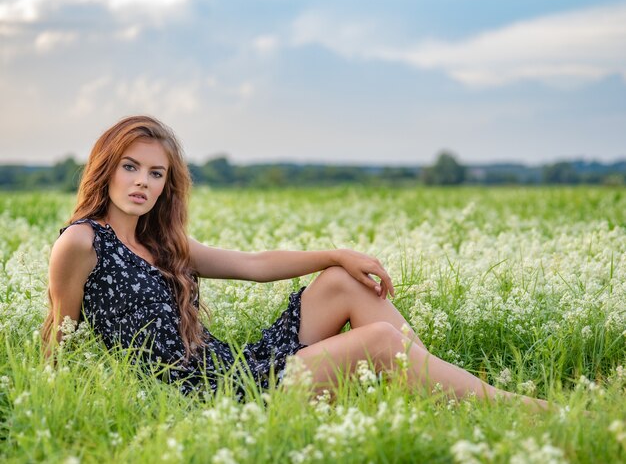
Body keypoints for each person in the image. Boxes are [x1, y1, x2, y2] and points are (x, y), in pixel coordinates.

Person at [42, 115, 549, 411]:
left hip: (230, 367)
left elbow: (253, 263)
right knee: (380, 342)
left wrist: (335, 255)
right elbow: (58, 332)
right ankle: (517, 408)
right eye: (130, 167)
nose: (142, 183)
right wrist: (53, 402)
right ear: (106, 169)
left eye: (155, 173)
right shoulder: (82, 243)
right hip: (205, 395)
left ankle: (430, 390)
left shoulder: (162, 244)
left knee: (343, 283)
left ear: (166, 185)